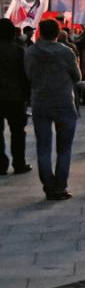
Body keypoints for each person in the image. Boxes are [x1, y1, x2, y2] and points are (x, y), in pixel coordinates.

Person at [24, 19, 80, 199]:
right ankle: (60, 186)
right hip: (64, 101)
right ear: (57, 32)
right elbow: (77, 76)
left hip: (40, 102)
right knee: (64, 148)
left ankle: (48, 185)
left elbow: (29, 75)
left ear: (40, 32)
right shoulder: (66, 52)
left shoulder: (31, 52)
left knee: (43, 147)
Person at [0, 19, 30, 176]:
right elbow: (25, 76)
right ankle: (19, 163)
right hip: (15, 97)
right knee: (18, 132)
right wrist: (27, 96)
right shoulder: (19, 51)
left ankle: (0, 165)